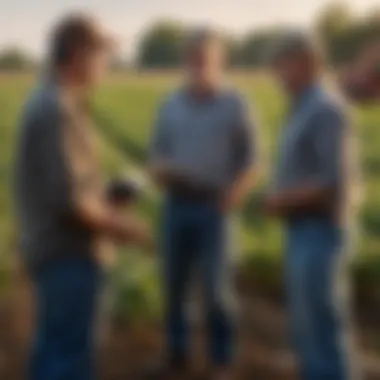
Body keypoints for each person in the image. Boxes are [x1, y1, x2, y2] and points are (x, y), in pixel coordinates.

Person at [14, 14, 151, 380]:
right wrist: (125, 228)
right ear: (78, 55)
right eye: (101, 54)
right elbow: (71, 206)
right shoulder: (55, 109)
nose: (105, 64)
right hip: (67, 255)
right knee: (68, 358)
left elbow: (69, 190)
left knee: (54, 347)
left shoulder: (56, 102)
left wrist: (106, 199)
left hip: (57, 252)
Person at [148, 29, 259, 380]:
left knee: (216, 290)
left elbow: (254, 161)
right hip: (176, 204)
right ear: (185, 62)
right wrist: (160, 170)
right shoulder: (170, 105)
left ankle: (221, 361)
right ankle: (176, 354)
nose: (198, 65)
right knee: (174, 285)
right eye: (193, 58)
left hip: (216, 207)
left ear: (219, 61)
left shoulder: (236, 104)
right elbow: (155, 156)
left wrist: (234, 194)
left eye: (205, 58)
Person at [265, 31, 362, 380]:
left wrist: (280, 199)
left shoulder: (324, 108)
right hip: (303, 229)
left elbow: (327, 181)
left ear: (306, 64)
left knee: (322, 323)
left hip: (319, 230)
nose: (277, 74)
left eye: (282, 65)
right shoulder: (303, 105)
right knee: (308, 322)